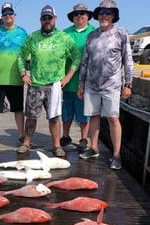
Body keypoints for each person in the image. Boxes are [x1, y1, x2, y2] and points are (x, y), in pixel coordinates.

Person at [17, 5, 81, 157]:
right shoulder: (33, 37)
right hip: (35, 85)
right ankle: (26, 143)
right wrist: (23, 74)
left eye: (49, 18)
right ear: (40, 20)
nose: (47, 21)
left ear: (55, 19)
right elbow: (20, 55)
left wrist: (68, 77)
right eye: (44, 18)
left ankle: (57, 145)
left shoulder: (64, 38)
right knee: (31, 117)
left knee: (54, 118)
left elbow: (77, 56)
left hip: (54, 86)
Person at [78, 0, 134, 169]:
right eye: (102, 12)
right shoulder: (91, 35)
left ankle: (117, 155)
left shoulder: (121, 33)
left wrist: (128, 84)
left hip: (112, 84)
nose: (104, 15)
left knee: (112, 118)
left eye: (108, 13)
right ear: (97, 15)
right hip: (91, 84)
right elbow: (85, 62)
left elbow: (128, 60)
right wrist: (81, 84)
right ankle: (93, 148)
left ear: (114, 16)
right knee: (93, 116)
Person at [0, 2, 28, 145]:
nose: (8, 16)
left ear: (14, 15)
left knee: (18, 109)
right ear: (2, 16)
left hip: (16, 79)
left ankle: (21, 135)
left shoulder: (23, 33)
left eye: (10, 13)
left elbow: (28, 54)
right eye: (5, 13)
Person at [60, 3, 95, 153]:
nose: (79, 16)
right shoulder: (64, 33)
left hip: (87, 81)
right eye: (76, 14)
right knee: (67, 111)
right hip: (67, 80)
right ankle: (66, 137)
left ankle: (83, 139)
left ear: (88, 16)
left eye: (82, 13)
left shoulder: (95, 32)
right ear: (72, 17)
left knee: (84, 113)